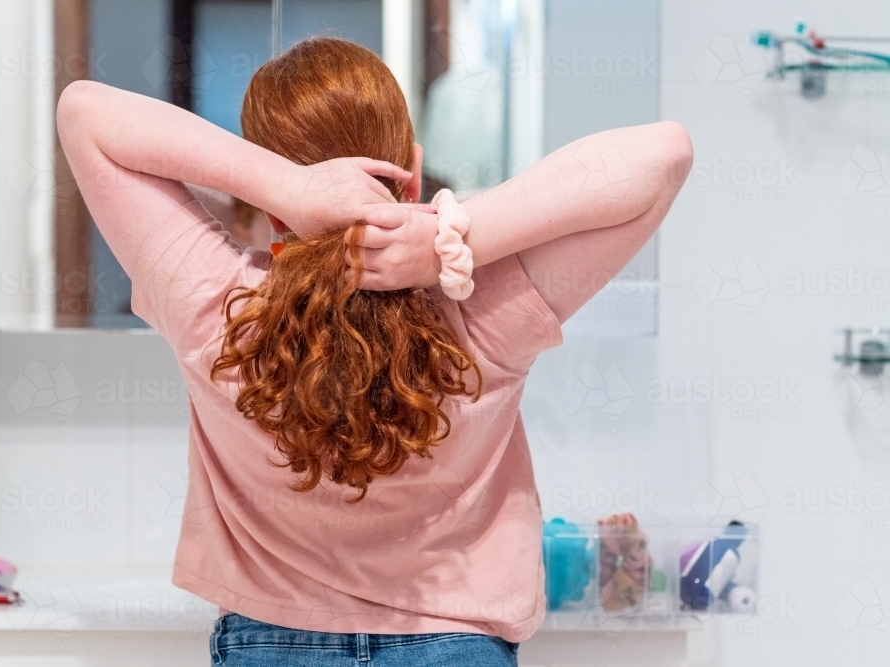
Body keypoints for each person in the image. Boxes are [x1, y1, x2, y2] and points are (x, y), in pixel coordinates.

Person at [57, 37, 692, 667]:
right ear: (412, 171)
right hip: (457, 647)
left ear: (266, 212)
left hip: (270, 645)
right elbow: (663, 155)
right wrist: (457, 233)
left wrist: (286, 185)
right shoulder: (482, 305)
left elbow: (84, 111)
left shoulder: (214, 303)